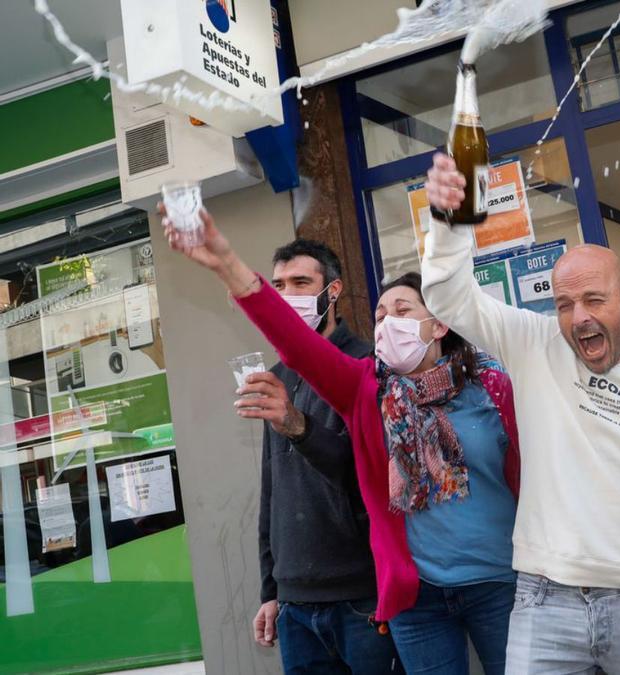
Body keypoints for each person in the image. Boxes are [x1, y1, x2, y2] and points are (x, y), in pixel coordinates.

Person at [163, 211, 521, 675]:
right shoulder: (366, 389)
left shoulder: (492, 387)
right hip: (419, 597)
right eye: (380, 315)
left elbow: (529, 476)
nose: (388, 323)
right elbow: (295, 344)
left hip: (500, 583)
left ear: (439, 325)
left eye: (403, 312)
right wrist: (227, 265)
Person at [421, 152, 620, 675]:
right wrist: (449, 224)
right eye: (565, 304)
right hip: (544, 604)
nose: (579, 317)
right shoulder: (533, 343)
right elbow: (448, 296)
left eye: (595, 299)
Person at [244, 239, 399, 673]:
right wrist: (270, 589)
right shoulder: (278, 376)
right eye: (278, 286)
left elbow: (370, 475)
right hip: (295, 603)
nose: (287, 296)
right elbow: (271, 490)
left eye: (300, 283)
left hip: (361, 594)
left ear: (332, 292)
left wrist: (298, 426)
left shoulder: (369, 364)